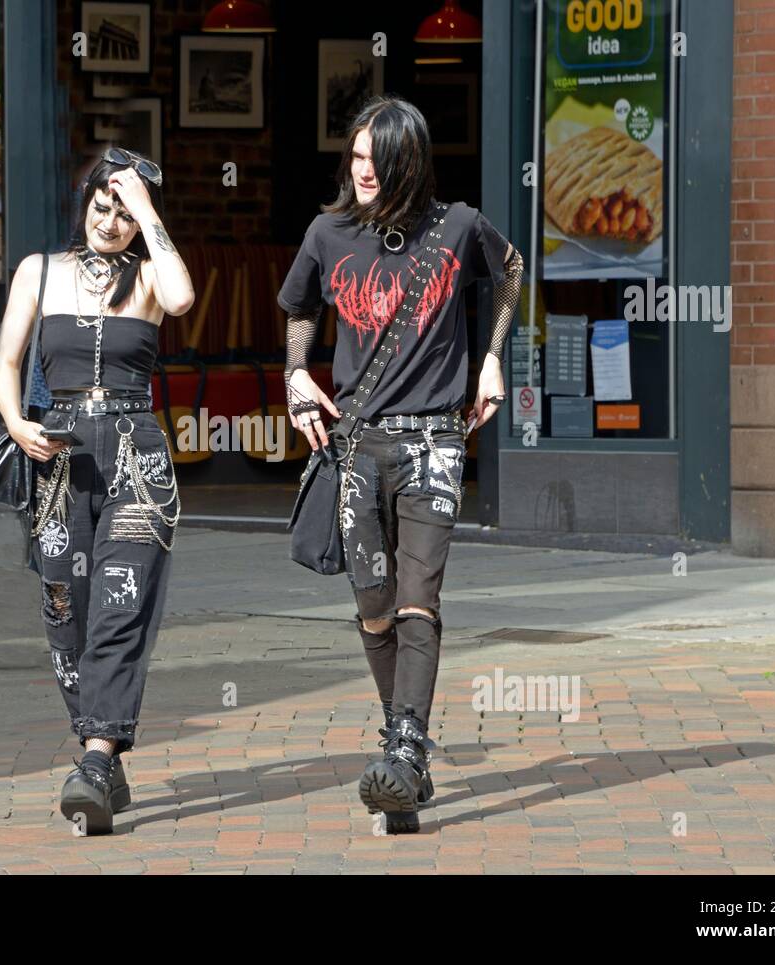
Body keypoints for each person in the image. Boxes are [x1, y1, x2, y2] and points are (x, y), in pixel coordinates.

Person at [276, 95, 523, 833]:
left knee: (419, 598)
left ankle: (407, 749)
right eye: (354, 158)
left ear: (405, 160)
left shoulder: (458, 227)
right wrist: (295, 374)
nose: (362, 171)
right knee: (374, 606)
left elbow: (510, 271)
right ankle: (402, 755)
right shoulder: (327, 232)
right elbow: (299, 310)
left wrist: (490, 362)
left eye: (375, 160)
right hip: (355, 444)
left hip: (433, 445)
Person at [0, 148, 195, 834]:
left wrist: (146, 208)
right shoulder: (38, 272)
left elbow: (182, 297)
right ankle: (101, 750)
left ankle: (98, 758)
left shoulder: (147, 279)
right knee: (64, 611)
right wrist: (17, 422)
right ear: (83, 204)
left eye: (124, 212)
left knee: (119, 605)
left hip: (137, 451)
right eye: (101, 204)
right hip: (59, 457)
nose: (110, 220)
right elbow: (7, 361)